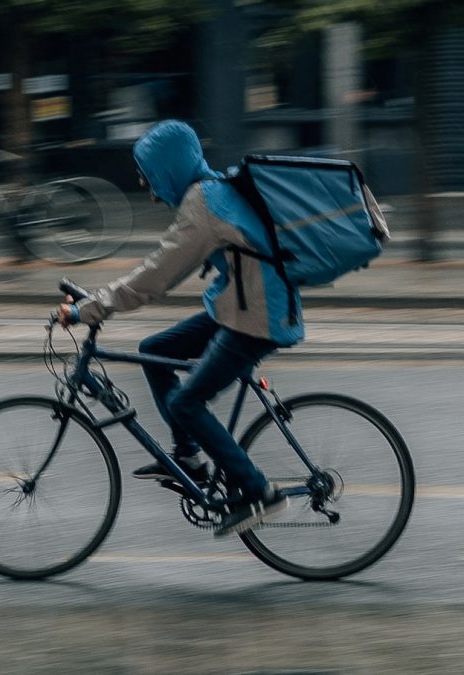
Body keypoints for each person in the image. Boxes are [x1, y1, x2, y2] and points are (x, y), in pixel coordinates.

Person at [56, 120, 304, 537]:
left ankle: (260, 492)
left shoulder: (204, 204)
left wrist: (91, 309)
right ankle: (188, 457)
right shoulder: (208, 192)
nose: (146, 187)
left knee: (186, 403)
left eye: (148, 175)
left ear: (168, 168)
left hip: (257, 317)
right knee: (155, 351)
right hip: (240, 307)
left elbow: (156, 277)